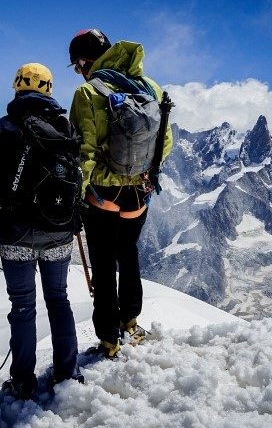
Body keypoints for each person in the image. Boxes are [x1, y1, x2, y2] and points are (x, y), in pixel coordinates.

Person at [68, 29, 173, 358]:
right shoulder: (152, 87)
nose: (79, 72)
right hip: (138, 195)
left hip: (102, 194)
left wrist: (78, 193)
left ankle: (109, 339)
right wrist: (144, 175)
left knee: (102, 262)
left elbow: (82, 152)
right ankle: (131, 323)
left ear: (86, 62)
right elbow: (164, 143)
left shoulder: (87, 93)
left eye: (77, 66)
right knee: (128, 254)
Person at [0, 63, 83, 399]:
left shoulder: (3, 127)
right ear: (50, 89)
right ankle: (67, 373)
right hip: (59, 230)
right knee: (59, 300)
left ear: (17, 85)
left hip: (18, 233)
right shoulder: (64, 124)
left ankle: (23, 381)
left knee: (23, 306)